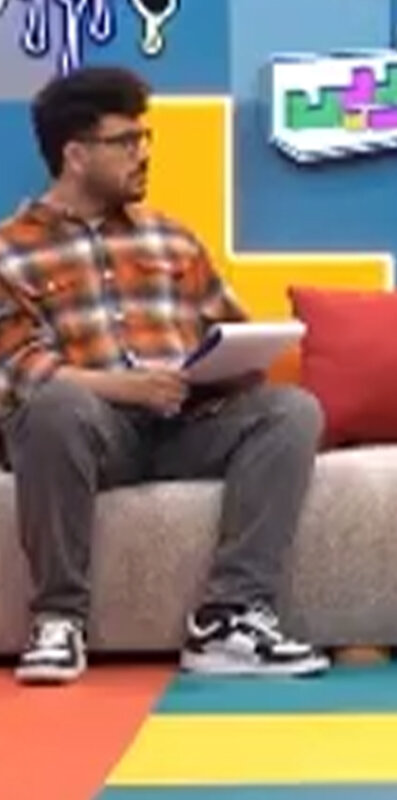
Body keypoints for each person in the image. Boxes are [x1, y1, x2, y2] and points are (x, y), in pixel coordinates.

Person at [0, 66, 330, 683]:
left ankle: (229, 620)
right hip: (91, 435)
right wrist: (123, 387)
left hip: (186, 424)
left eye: (143, 138)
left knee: (291, 411)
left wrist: (225, 363)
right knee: (53, 407)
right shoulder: (11, 251)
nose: (142, 154)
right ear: (75, 154)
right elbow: (20, 369)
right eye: (125, 142)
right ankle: (59, 620)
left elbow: (228, 327)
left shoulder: (171, 238)